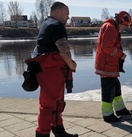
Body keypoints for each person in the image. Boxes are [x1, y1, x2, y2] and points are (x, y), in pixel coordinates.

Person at [33, 2, 78, 137]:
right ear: (57, 11)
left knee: (57, 102)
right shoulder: (56, 26)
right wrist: (71, 65)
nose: (68, 17)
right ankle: (43, 133)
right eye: (66, 14)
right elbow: (63, 49)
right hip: (51, 70)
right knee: (49, 105)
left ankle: (59, 131)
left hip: (47, 69)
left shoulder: (46, 23)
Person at [95, 11, 132, 122]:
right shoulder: (111, 28)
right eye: (125, 25)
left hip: (109, 65)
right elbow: (106, 47)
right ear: (120, 21)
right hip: (106, 65)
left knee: (116, 87)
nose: (124, 28)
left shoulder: (111, 27)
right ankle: (108, 115)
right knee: (108, 90)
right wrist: (120, 54)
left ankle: (120, 109)